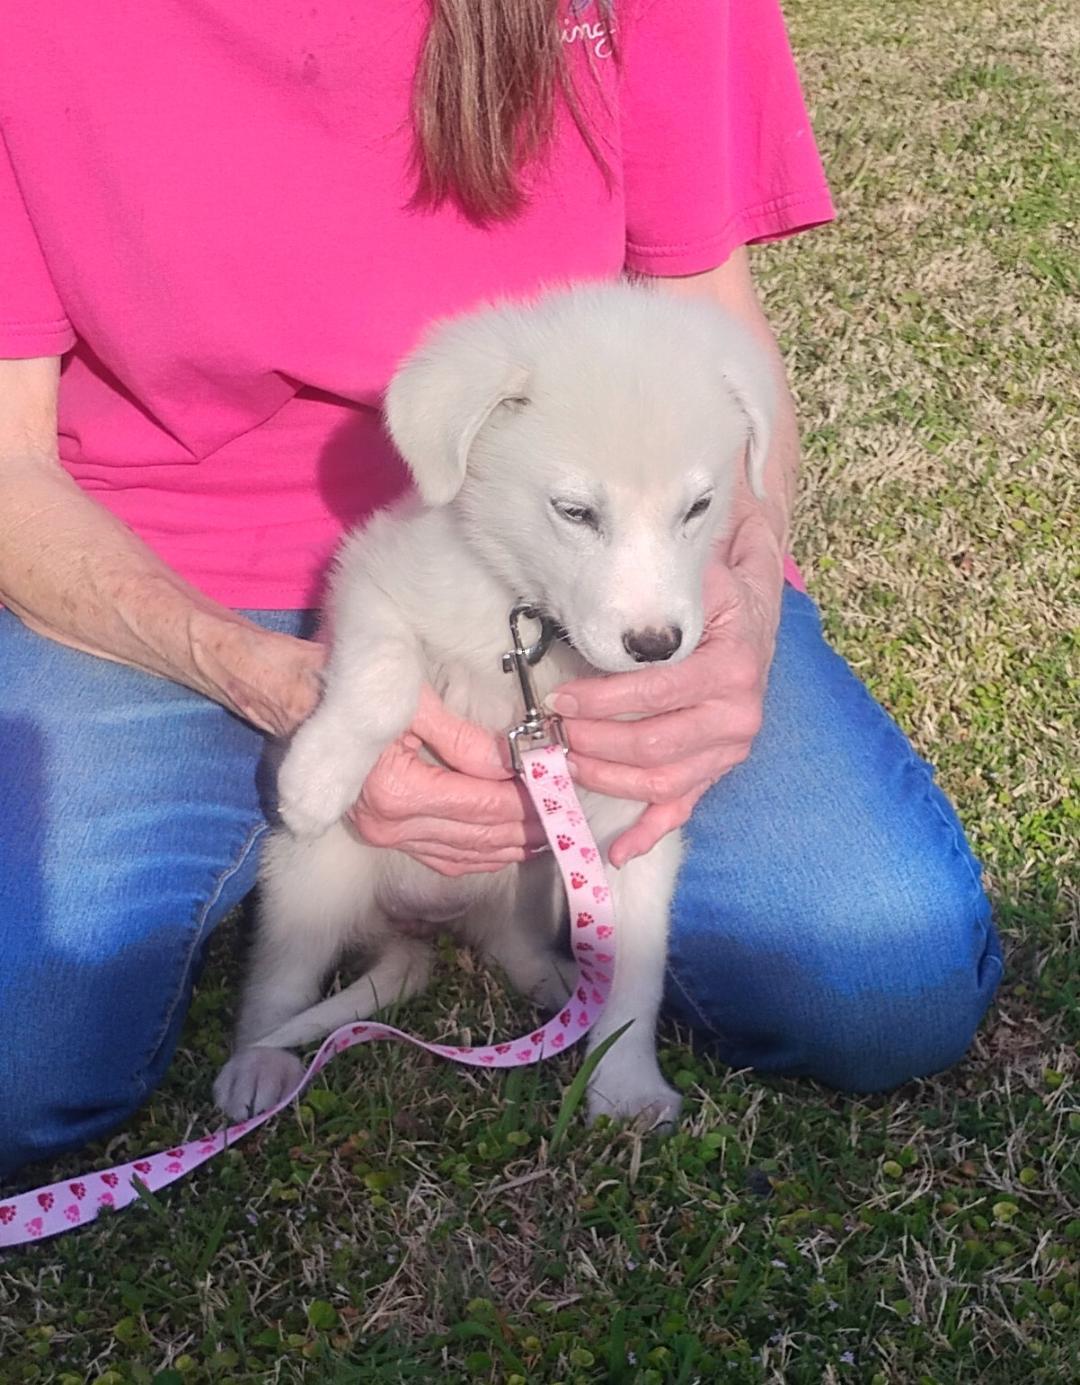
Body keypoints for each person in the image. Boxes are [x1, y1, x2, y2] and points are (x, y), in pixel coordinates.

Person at [0, 0, 1001, 1181]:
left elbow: (709, 330)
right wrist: (282, 685)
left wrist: (744, 598)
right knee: (21, 1069)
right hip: (165, 561)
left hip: (568, 553)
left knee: (883, 978)